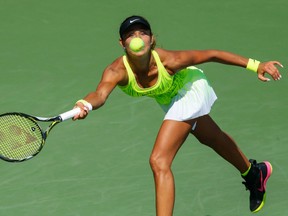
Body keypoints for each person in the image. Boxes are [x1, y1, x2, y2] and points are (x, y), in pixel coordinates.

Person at [73, 15, 283, 216]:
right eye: (130, 35)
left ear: (152, 39)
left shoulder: (170, 61)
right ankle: (254, 173)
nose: (137, 38)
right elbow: (100, 94)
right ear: (122, 43)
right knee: (210, 137)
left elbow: (211, 54)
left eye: (143, 33)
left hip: (191, 88)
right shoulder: (116, 71)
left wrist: (257, 65)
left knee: (159, 161)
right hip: (169, 99)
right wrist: (85, 104)